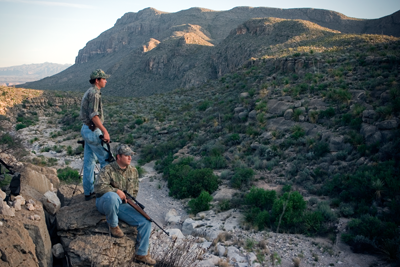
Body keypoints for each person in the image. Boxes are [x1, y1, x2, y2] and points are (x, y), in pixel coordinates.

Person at [94, 144, 156, 266]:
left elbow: (134, 192)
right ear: (118, 156)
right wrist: (116, 191)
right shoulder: (108, 169)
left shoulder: (133, 171)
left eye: (130, 155)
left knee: (146, 222)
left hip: (122, 205)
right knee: (113, 197)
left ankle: (141, 254)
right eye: (126, 155)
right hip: (105, 201)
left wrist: (129, 200)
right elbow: (98, 187)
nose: (130, 158)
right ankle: (113, 225)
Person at [80, 69, 111, 201]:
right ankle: (103, 192)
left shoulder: (90, 91)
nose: (106, 81)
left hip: (86, 129)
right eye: (103, 79)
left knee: (89, 162)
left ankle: (88, 192)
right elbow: (94, 115)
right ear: (97, 80)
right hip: (92, 130)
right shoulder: (94, 94)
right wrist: (105, 131)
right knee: (106, 160)